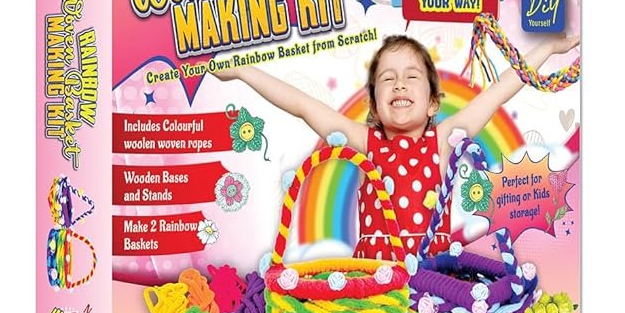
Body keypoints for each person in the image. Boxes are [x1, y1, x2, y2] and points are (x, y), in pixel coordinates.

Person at [215, 31, 580, 260]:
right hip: (374, 286)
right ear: (374, 106)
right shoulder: (364, 142)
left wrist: (547, 48)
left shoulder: (443, 141)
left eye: (411, 77)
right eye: (387, 79)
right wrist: (244, 72)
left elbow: (499, 90)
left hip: (433, 281)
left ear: (433, 103)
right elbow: (301, 105)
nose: (399, 84)